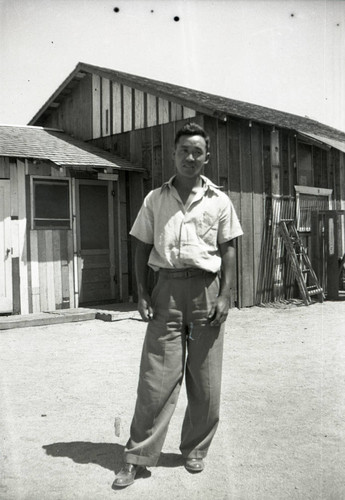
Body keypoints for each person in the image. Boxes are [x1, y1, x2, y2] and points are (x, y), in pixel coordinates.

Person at [113, 122, 243, 488]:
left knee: (205, 381)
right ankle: (137, 455)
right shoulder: (155, 198)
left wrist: (225, 294)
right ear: (174, 154)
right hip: (165, 292)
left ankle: (196, 449)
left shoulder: (220, 200)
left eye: (197, 152)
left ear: (206, 157)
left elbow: (229, 248)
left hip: (207, 291)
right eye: (184, 150)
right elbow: (140, 244)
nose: (190, 157)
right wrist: (140, 292)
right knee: (155, 380)